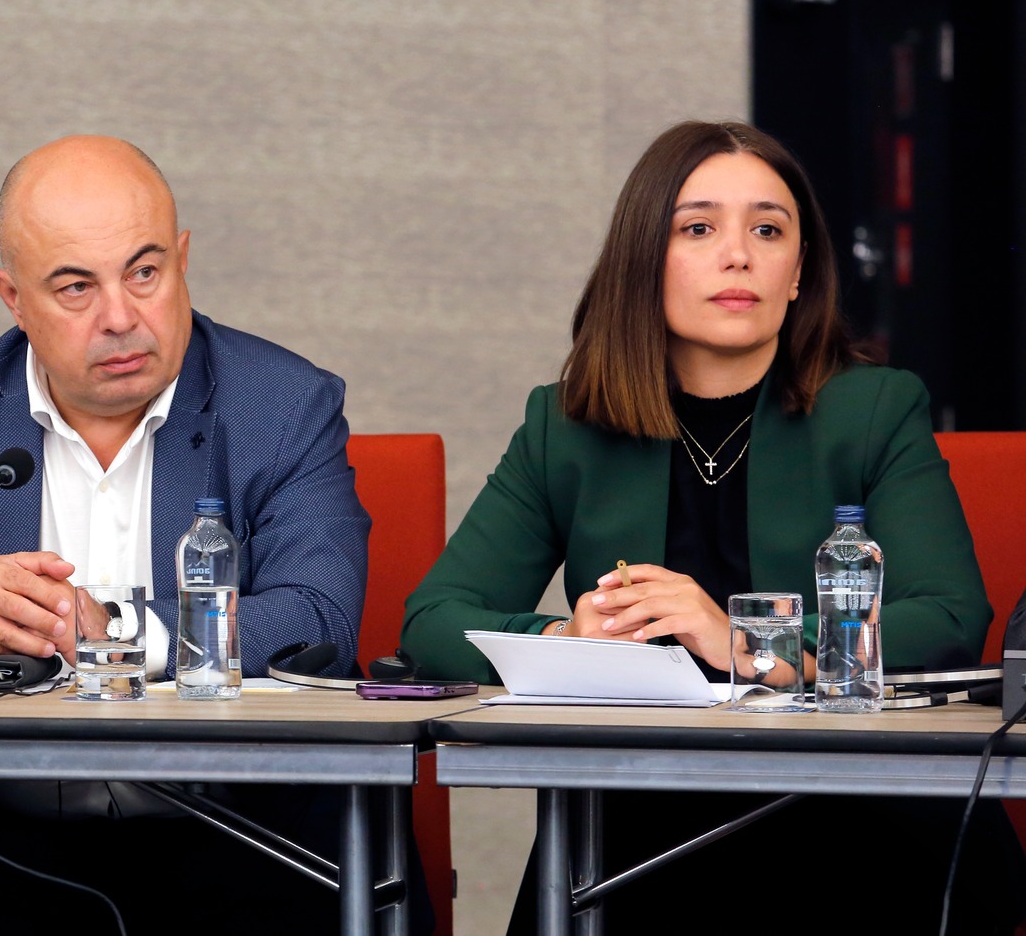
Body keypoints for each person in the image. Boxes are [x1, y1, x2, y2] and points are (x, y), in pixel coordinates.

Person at [401, 119, 1024, 934]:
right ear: (643, 262)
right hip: (632, 831)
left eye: (768, 230)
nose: (738, 255)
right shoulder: (566, 425)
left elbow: (948, 617)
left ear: (798, 271)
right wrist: (567, 637)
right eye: (698, 229)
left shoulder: (874, 408)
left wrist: (748, 641)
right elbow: (433, 620)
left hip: (859, 820)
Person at [0, 135, 382, 934]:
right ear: (13, 298)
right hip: (3, 841)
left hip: (249, 836)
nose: (120, 317)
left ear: (183, 258)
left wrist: (112, 631)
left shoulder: (282, 402)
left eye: (145, 272)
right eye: (76, 287)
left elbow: (319, 620)